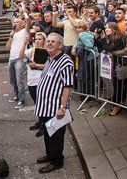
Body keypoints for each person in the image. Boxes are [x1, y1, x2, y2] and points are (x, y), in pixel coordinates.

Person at [34, 33, 75, 174]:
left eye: (53, 42)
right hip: (45, 107)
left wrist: (62, 108)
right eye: (48, 41)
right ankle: (50, 155)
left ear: (60, 45)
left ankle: (57, 161)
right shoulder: (50, 59)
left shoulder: (65, 61)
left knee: (55, 136)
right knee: (47, 133)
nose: (49, 44)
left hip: (55, 107)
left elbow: (67, 86)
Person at [26, 32, 48, 136]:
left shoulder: (47, 51)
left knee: (42, 104)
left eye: (40, 39)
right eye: (36, 39)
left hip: (40, 80)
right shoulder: (31, 50)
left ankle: (44, 125)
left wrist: (37, 65)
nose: (37, 41)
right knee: (36, 103)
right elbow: (21, 55)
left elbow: (49, 66)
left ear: (44, 40)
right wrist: (24, 44)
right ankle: (40, 122)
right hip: (31, 80)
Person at [6, 18, 29, 108]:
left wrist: (23, 9)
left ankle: (22, 100)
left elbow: (28, 22)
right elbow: (7, 48)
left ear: (22, 24)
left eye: (17, 22)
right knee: (13, 80)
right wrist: (11, 36)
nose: (15, 24)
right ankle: (17, 95)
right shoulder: (13, 34)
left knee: (20, 81)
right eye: (14, 22)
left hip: (20, 59)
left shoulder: (24, 32)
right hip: (11, 59)